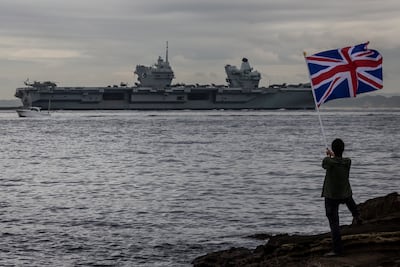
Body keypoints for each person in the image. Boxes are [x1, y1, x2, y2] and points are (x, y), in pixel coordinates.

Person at [321, 138, 362, 257]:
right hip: (344, 194)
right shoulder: (348, 162)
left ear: (333, 149)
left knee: (334, 223)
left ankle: (337, 250)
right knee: (349, 197)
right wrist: (333, 156)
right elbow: (338, 161)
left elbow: (326, 164)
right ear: (343, 149)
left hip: (331, 196)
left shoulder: (328, 161)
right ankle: (356, 215)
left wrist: (329, 156)